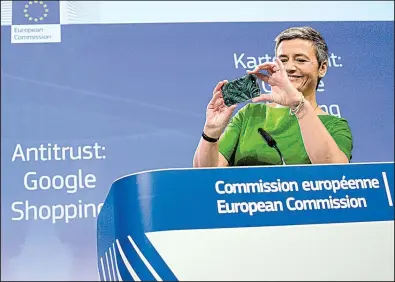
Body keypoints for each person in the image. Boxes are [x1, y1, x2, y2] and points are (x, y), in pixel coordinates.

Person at [193, 26, 353, 167]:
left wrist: (299, 106)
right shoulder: (250, 114)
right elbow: (205, 174)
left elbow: (335, 175)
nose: (289, 67)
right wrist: (211, 131)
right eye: (283, 60)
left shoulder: (334, 125)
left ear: (322, 68)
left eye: (300, 60)